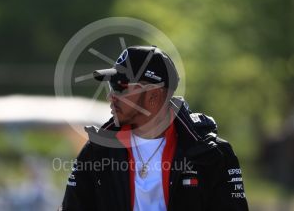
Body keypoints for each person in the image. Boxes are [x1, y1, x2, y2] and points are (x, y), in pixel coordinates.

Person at [60, 45, 249, 211]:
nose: (111, 96)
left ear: (154, 96)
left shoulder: (213, 154)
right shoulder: (97, 151)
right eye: (111, 87)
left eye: (120, 87)